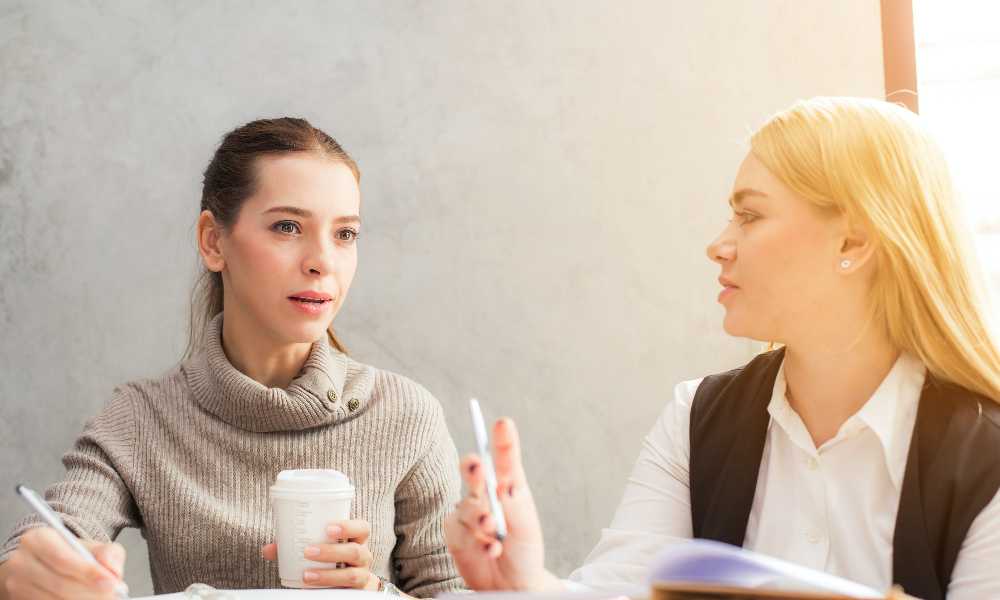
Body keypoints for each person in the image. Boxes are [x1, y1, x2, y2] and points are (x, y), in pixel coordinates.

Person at [444, 97, 1000, 600]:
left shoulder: (985, 457)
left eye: (750, 215)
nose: (718, 245)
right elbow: (621, 593)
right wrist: (528, 584)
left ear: (853, 242)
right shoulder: (696, 417)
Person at [0, 118, 463, 599]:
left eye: (345, 234)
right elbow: (50, 538)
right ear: (213, 241)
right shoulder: (141, 418)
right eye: (288, 226)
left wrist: (374, 591)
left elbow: (455, 592)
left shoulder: (407, 415)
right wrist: (28, 572)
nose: (322, 260)